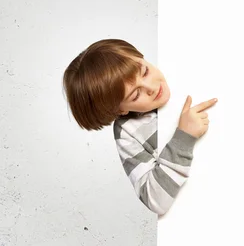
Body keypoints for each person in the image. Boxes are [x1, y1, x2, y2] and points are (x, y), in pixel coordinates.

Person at [62, 38, 218, 215]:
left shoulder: (182, 63)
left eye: (144, 72)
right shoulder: (127, 131)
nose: (151, 87)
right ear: (120, 110)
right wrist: (183, 138)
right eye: (135, 95)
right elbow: (156, 200)